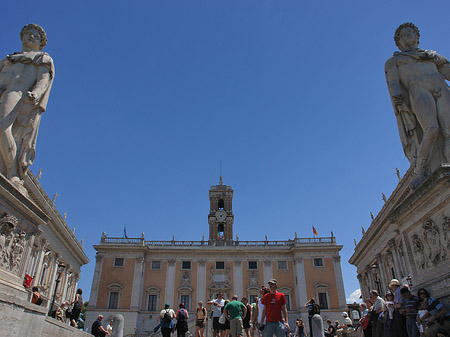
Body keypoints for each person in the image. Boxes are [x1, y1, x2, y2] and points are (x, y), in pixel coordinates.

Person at [385, 22, 450, 187]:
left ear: (417, 37)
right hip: (418, 90)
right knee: (432, 128)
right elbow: (393, 84)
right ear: (399, 42)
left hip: (441, 87)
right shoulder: (395, 61)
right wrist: (399, 99)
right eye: (404, 34)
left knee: (448, 130)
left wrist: (439, 60)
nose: (408, 35)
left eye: (411, 32)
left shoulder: (431, 56)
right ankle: (420, 170)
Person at [0, 24, 54, 186]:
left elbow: (43, 80)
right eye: (28, 33)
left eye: (35, 36)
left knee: (2, 125)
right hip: (3, 89)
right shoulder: (8, 60)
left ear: (41, 43)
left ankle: (12, 172)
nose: (31, 36)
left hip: (17, 92)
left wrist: (36, 93)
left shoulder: (41, 59)